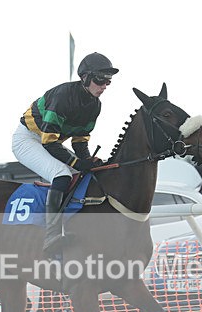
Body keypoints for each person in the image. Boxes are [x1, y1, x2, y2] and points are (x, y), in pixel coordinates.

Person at [12, 52, 119, 254]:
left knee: (86, 174)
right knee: (61, 174)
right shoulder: (63, 97)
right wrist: (79, 163)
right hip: (28, 139)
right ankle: (51, 235)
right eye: (100, 80)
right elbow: (49, 142)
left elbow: (80, 140)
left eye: (108, 81)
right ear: (85, 77)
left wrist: (87, 161)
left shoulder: (95, 105)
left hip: (51, 142)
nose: (104, 86)